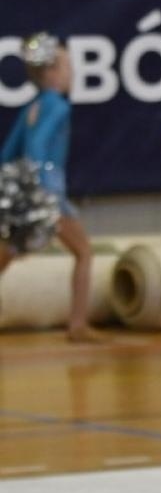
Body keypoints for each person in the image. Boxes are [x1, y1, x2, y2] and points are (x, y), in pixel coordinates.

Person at [0, 33, 106, 343]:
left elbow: (8, 154)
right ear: (51, 72)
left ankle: (78, 324)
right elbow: (36, 148)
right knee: (84, 252)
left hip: (28, 193)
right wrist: (42, 192)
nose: (72, 72)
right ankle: (77, 325)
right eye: (67, 66)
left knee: (6, 256)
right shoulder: (58, 106)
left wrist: (17, 189)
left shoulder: (31, 108)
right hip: (47, 195)